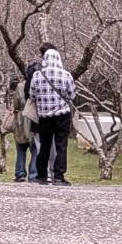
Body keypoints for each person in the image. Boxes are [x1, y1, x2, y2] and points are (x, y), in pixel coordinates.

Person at [31, 47, 77, 185]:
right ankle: (58, 176)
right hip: (62, 115)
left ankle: (41, 176)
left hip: (44, 116)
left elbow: (32, 95)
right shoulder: (66, 75)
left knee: (44, 145)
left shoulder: (37, 75)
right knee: (61, 145)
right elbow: (72, 95)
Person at [10, 77, 37, 182]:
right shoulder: (38, 84)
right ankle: (34, 173)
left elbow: (15, 104)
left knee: (21, 148)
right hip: (34, 117)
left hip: (21, 118)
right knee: (35, 149)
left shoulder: (20, 86)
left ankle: (20, 173)